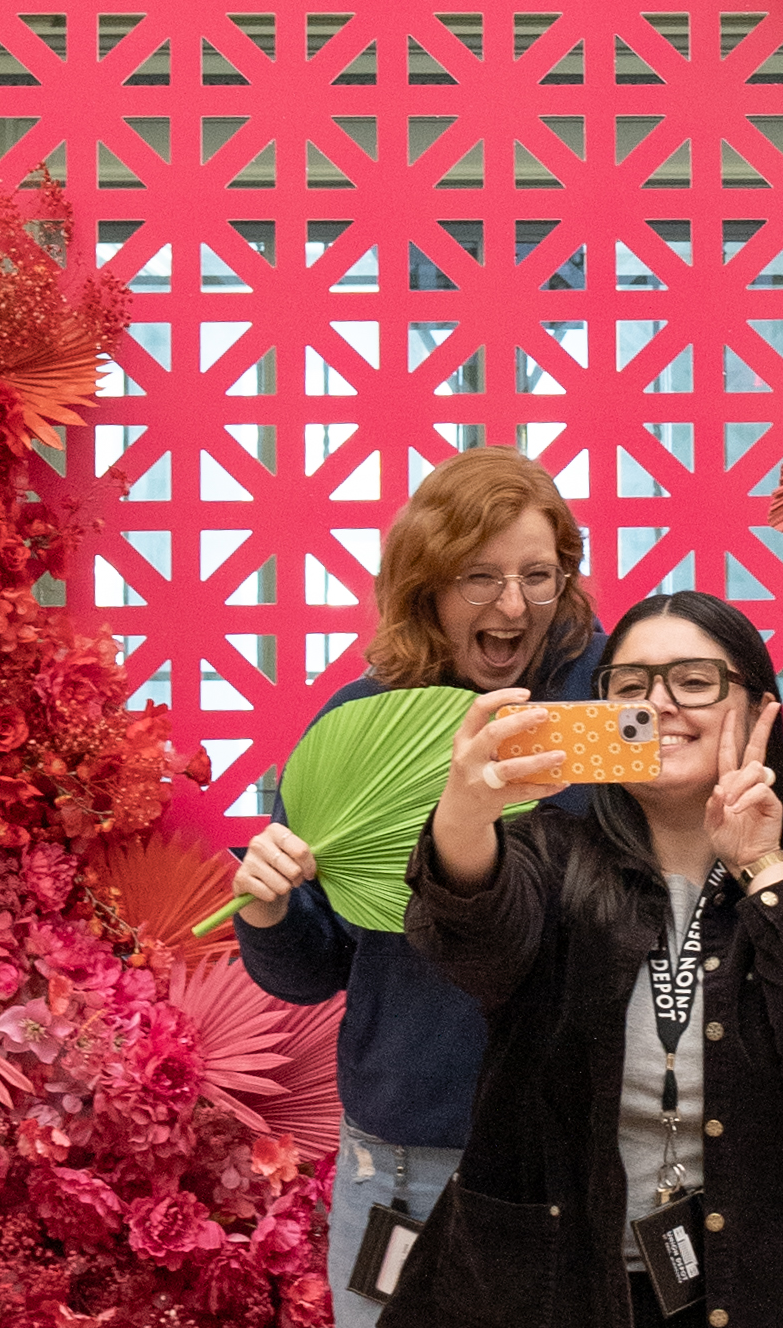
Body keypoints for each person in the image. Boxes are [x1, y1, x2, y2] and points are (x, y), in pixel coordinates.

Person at [386, 590, 783, 1328]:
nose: (660, 704)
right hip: (552, 1292)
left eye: (695, 682)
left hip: (765, 1295)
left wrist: (764, 869)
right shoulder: (549, 859)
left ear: (759, 710)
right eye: (631, 687)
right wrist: (464, 815)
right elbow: (474, 944)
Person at [231, 446, 606, 1326]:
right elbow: (311, 969)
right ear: (427, 585)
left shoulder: (595, 722)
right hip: (404, 1158)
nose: (513, 606)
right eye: (480, 577)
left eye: (538, 576)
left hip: (572, 1150)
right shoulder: (357, 726)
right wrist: (269, 904)